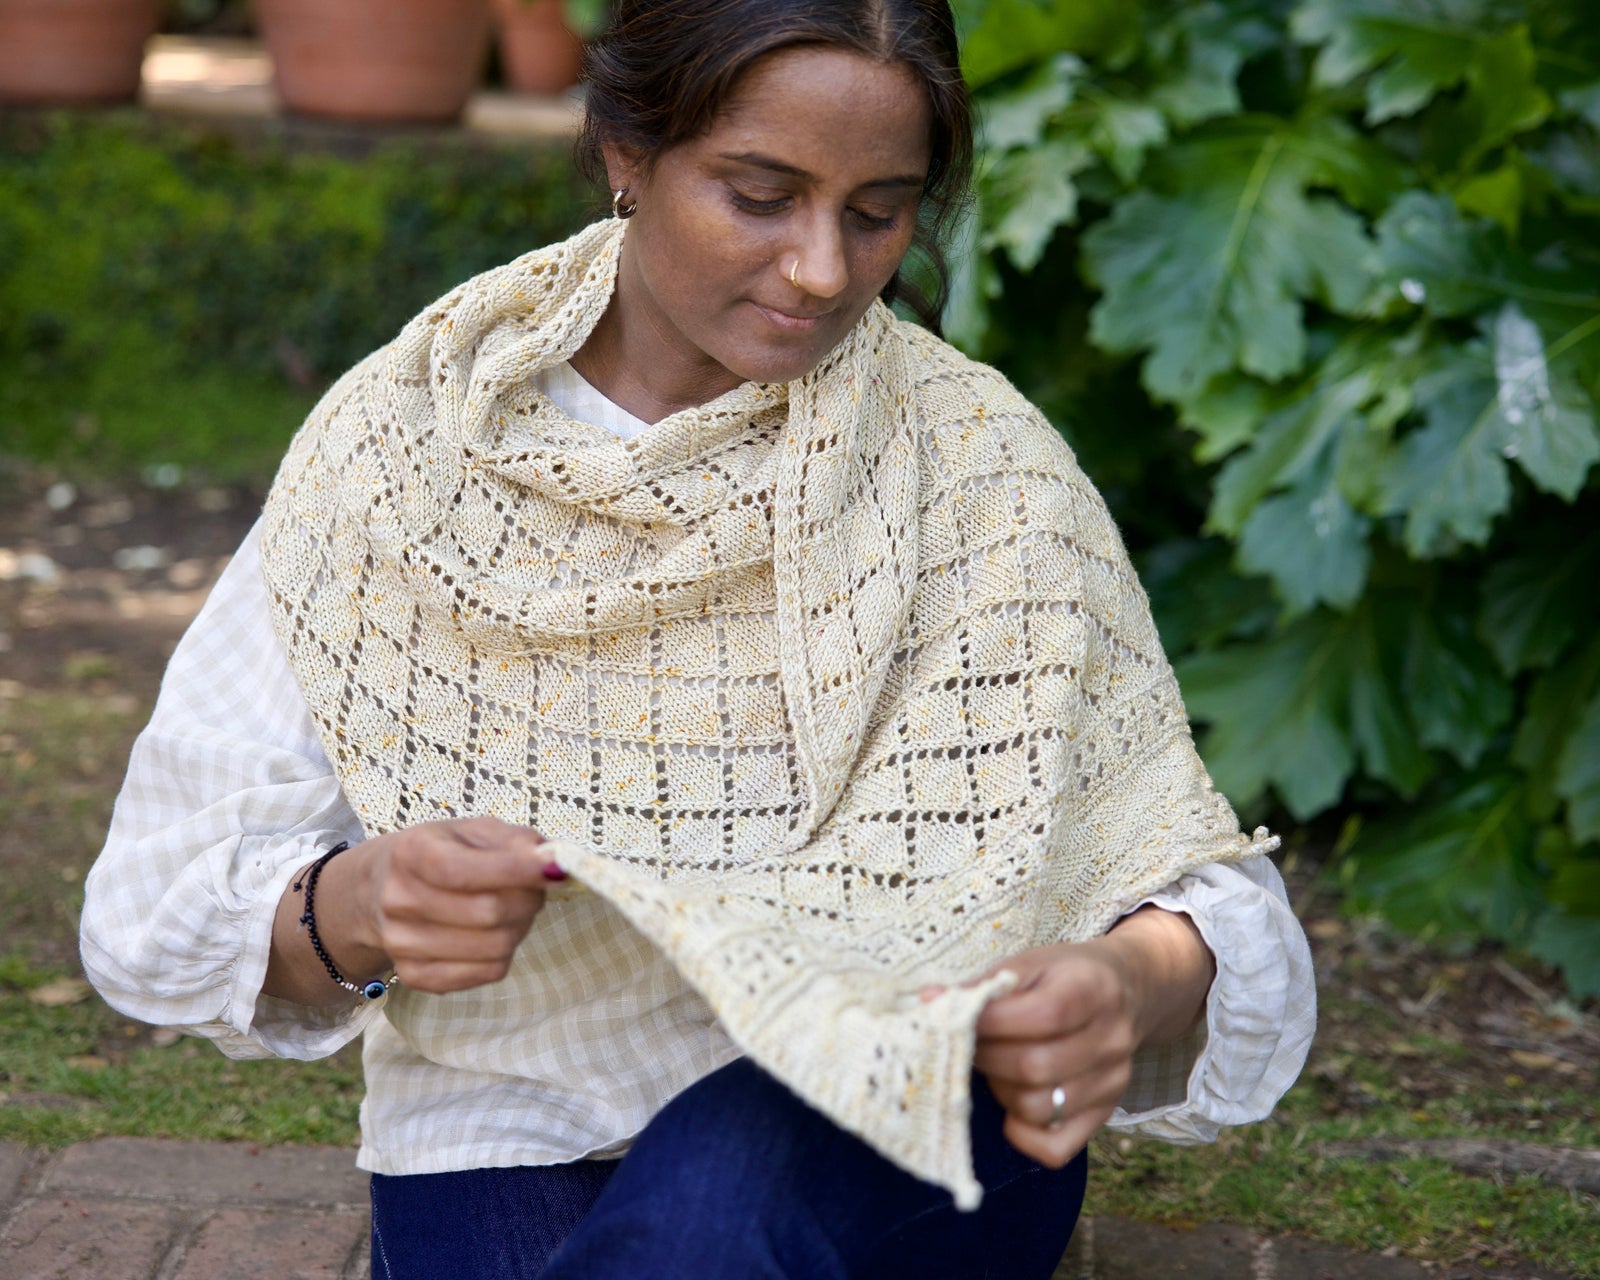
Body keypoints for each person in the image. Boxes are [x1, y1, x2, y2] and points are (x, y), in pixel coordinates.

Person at [80, 2, 1316, 1276]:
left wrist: (1121, 983)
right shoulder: (402, 453)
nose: (824, 269)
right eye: (762, 194)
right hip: (506, 1118)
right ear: (626, 148)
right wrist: (352, 908)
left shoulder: (978, 470)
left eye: (879, 210)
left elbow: (1206, 896)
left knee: (705, 1218)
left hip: (897, 1106)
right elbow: (154, 902)